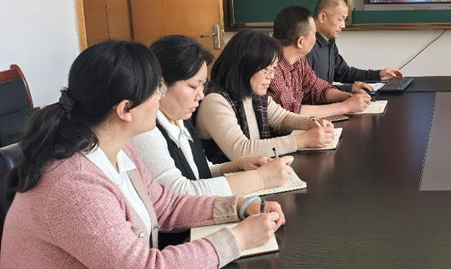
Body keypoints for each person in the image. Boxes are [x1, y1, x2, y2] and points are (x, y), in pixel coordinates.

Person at [0, 40, 283, 268]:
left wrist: (240, 205)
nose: (161, 96)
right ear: (125, 109)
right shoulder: (74, 185)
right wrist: (238, 239)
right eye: (156, 89)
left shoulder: (118, 148)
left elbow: (165, 205)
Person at [131, 35, 294, 198]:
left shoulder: (179, 118)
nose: (201, 95)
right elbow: (180, 192)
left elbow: (200, 170)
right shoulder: (145, 131)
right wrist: (260, 178)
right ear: (160, 85)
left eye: (203, 85)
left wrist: (239, 165)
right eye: (193, 86)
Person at [196, 29, 334, 163]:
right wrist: (302, 140)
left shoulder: (253, 93)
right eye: (266, 70)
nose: (272, 77)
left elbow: (282, 119)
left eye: (274, 69)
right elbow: (241, 151)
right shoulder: (215, 101)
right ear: (245, 66)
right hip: (229, 177)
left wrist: (310, 122)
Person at [268, 6, 372, 117]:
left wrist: (349, 97)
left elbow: (316, 87)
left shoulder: (300, 60)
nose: (315, 39)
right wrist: (345, 107)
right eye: (314, 34)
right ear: (301, 42)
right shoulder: (270, 67)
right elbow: (289, 112)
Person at [306, 0, 403, 93]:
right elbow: (309, 90)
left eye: (344, 20)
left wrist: (378, 75)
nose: (343, 25)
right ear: (322, 17)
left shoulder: (329, 43)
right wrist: (350, 89)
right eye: (340, 19)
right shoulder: (306, 47)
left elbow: (343, 72)